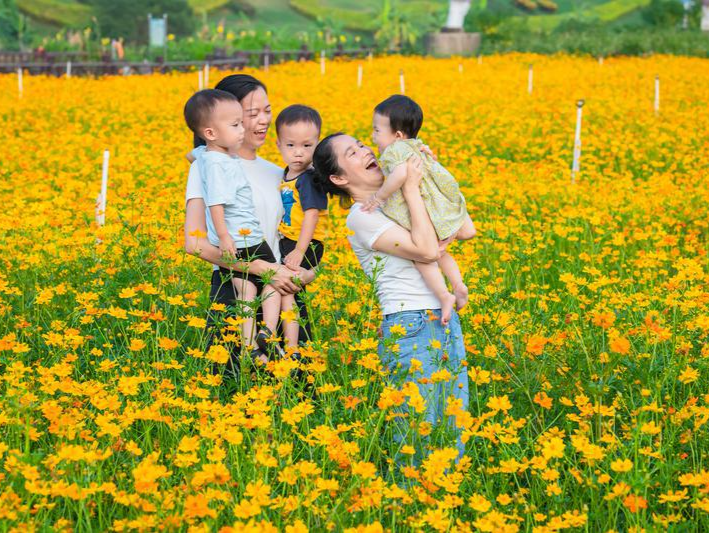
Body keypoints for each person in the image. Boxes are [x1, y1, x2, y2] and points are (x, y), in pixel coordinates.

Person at [312, 133, 470, 460]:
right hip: (409, 326)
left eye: (361, 144)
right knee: (416, 440)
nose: (365, 150)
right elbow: (428, 249)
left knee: (453, 433)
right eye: (351, 152)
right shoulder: (362, 217)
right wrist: (411, 188)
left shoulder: (395, 202)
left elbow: (464, 228)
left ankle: (442, 508)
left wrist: (433, 169)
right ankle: (407, 507)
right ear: (339, 178)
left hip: (442, 319)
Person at [183, 75, 315, 376]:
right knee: (238, 400)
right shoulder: (207, 168)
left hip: (285, 294)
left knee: (297, 406)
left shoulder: (281, 173)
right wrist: (261, 269)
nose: (263, 120)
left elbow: (296, 235)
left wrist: (307, 273)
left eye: (267, 110)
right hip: (237, 291)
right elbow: (195, 243)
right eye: (251, 114)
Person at [365, 95, 476, 326]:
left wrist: (380, 196)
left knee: (424, 257)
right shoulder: (418, 146)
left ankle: (445, 295)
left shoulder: (395, 150)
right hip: (438, 205)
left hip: (422, 207)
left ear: (397, 135)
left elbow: (400, 175)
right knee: (440, 252)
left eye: (376, 131)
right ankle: (458, 285)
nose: (372, 136)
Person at [275, 104, 329, 351]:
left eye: (307, 146)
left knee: (289, 291)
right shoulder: (286, 174)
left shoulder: (308, 178)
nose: (299, 153)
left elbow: (311, 216)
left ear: (317, 146)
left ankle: (293, 347)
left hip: (306, 243)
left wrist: (299, 249)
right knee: (285, 289)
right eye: (291, 145)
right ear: (278, 145)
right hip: (290, 240)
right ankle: (285, 340)